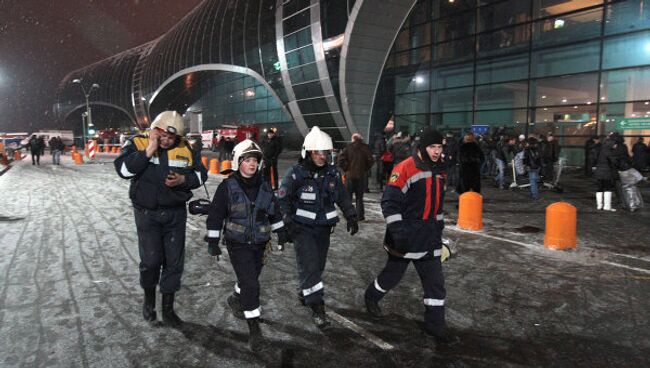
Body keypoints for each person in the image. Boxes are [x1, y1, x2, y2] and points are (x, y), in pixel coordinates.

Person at [363, 127, 457, 345]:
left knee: (435, 284)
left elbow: (437, 206)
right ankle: (371, 296)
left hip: (430, 237)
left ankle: (435, 328)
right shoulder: (404, 168)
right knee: (392, 276)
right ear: (422, 147)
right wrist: (399, 233)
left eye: (439, 147)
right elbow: (389, 203)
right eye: (432, 147)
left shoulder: (439, 171)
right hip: (405, 237)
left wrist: (439, 228)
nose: (436, 151)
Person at [114, 111, 208, 326]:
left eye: (171, 137)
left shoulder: (186, 148)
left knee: (174, 263)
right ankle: (149, 302)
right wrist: (149, 151)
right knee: (151, 261)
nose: (166, 140)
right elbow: (124, 170)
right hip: (147, 214)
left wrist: (184, 179)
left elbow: (201, 175)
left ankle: (168, 310)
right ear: (154, 130)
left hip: (175, 214)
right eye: (162, 135)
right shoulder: (137, 143)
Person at [205, 139, 291, 350]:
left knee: (249, 278)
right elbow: (215, 215)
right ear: (238, 161)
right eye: (248, 160)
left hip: (260, 243)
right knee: (251, 284)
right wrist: (213, 241)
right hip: (238, 243)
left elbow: (274, 211)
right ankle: (254, 330)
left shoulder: (264, 186)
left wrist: (280, 231)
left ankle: (236, 297)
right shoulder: (228, 186)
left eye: (255, 160)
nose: (252, 164)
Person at [278, 126, 358, 329]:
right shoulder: (295, 174)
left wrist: (351, 215)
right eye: (318, 152)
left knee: (317, 266)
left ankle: (306, 291)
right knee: (311, 266)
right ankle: (317, 307)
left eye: (325, 152)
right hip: (301, 229)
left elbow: (342, 196)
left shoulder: (332, 174)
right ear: (308, 152)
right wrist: (287, 222)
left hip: (323, 230)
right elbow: (283, 199)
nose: (322, 156)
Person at [337, 133, 374, 221]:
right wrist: (365, 169)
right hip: (361, 176)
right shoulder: (366, 148)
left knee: (348, 196)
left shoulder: (348, 148)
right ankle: (360, 216)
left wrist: (346, 168)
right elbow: (371, 160)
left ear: (353, 139)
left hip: (350, 175)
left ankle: (349, 214)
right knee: (359, 197)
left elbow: (340, 160)